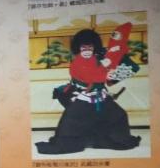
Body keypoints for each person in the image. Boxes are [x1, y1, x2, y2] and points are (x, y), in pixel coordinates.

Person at [35, 26, 141, 155]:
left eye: (90, 47)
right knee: (70, 122)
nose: (86, 50)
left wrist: (115, 56)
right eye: (83, 48)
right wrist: (106, 68)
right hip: (82, 97)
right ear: (78, 48)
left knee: (119, 115)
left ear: (94, 48)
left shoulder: (98, 58)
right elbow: (90, 76)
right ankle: (68, 142)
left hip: (100, 97)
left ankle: (110, 139)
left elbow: (114, 62)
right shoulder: (77, 62)